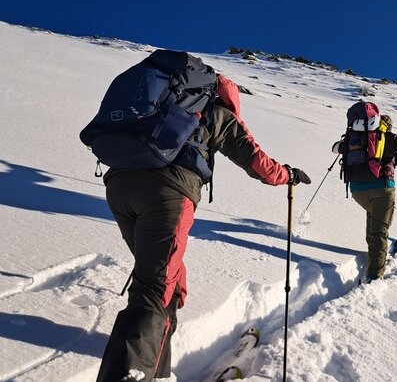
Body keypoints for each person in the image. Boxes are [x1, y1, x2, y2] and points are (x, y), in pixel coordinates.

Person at [96, 74, 311, 382]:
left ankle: (158, 370)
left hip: (118, 186)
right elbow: (257, 162)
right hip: (167, 195)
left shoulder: (158, 105)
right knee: (154, 290)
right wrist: (286, 175)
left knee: (162, 280)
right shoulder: (216, 113)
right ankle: (129, 374)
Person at [332, 105, 397, 282]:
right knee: (380, 231)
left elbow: (334, 148)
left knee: (373, 219)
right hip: (382, 188)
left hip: (356, 190)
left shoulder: (355, 137)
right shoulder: (391, 137)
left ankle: (375, 252)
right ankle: (374, 277)